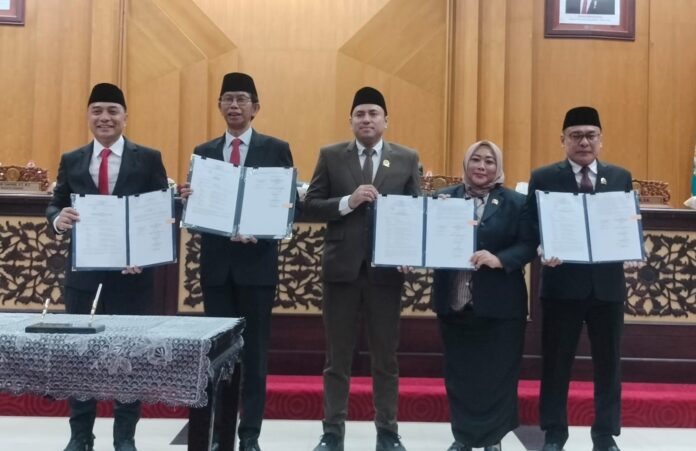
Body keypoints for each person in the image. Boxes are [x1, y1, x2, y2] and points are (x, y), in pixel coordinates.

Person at [46, 83, 169, 451]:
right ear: (88, 116)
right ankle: (80, 436)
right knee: (79, 357)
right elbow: (55, 203)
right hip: (83, 277)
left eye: (112, 111)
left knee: (129, 357)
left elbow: (160, 213)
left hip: (132, 278)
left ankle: (125, 437)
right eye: (97, 110)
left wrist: (144, 255)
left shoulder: (148, 158)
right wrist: (58, 219)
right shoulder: (72, 159)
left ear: (125, 117)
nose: (104, 117)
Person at [179, 72, 293, 451]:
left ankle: (249, 435)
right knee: (218, 355)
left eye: (241, 99)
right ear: (219, 106)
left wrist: (261, 230)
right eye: (227, 99)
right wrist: (189, 198)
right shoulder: (204, 152)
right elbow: (198, 210)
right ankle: (218, 431)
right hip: (217, 269)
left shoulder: (276, 149)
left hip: (256, 267)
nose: (234, 105)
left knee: (254, 354)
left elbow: (287, 202)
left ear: (255, 108)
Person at [302, 87, 421, 451]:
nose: (366, 119)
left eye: (373, 113)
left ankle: (388, 432)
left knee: (386, 359)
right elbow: (311, 206)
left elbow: (415, 213)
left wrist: (409, 253)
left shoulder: (406, 158)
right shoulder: (331, 156)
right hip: (341, 271)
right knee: (337, 359)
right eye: (360, 114)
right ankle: (332, 434)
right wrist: (347, 202)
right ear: (351, 121)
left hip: (386, 274)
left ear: (386, 120)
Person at [526, 106, 632, 451]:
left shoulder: (620, 177)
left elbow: (627, 222)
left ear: (601, 140)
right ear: (563, 140)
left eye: (590, 135)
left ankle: (605, 434)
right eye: (576, 136)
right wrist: (542, 247)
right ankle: (554, 433)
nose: (584, 142)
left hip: (607, 288)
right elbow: (531, 226)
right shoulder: (544, 177)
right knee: (556, 364)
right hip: (561, 287)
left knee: (608, 364)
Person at [432, 140, 537, 451]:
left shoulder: (517, 202)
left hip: (501, 306)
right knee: (460, 376)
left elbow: (529, 244)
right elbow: (424, 237)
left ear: (498, 167)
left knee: (498, 377)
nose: (481, 166)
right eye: (475, 160)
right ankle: (463, 438)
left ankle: (493, 439)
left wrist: (499, 259)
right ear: (465, 164)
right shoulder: (442, 199)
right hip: (455, 303)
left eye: (489, 161)